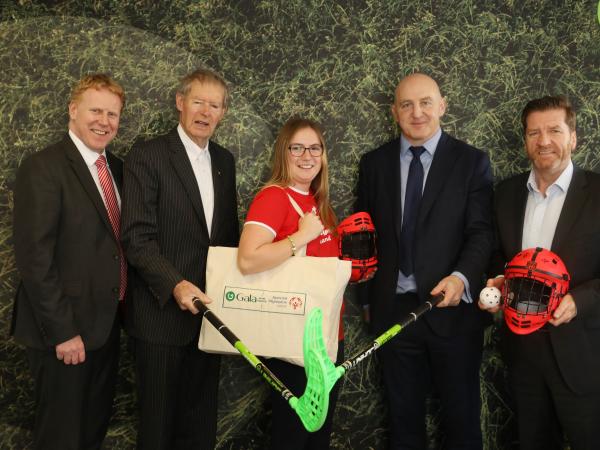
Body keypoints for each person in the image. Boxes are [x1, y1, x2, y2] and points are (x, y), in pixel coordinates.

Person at [355, 73, 494, 449]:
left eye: (426, 103)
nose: (417, 113)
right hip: (394, 315)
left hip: (453, 313)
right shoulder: (374, 164)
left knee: (462, 421)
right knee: (403, 425)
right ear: (394, 111)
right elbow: (363, 237)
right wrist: (368, 303)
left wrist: (461, 278)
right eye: (406, 104)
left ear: (442, 106)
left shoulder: (472, 163)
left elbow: (482, 232)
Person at [121, 68, 238, 450]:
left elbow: (225, 238)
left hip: (209, 319)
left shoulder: (225, 160)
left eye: (215, 105)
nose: (205, 111)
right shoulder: (148, 155)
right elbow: (136, 236)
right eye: (198, 101)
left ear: (222, 113)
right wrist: (175, 283)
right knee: (158, 431)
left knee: (200, 427)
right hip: (160, 320)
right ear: (180, 102)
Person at [12, 73, 126, 449]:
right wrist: (63, 331)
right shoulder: (44, 167)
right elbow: (35, 258)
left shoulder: (119, 170)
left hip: (105, 328)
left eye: (112, 114)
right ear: (73, 110)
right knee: (60, 438)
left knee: (91, 433)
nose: (104, 121)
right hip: (63, 334)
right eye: (95, 110)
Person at [480, 96, 600, 450]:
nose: (544, 140)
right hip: (524, 353)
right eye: (534, 132)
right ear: (525, 140)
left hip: (584, 354)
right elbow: (498, 256)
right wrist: (499, 281)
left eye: (554, 130)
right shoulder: (504, 194)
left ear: (573, 137)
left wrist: (581, 300)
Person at [237, 117, 343, 450]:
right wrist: (300, 237)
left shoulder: (318, 202)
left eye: (315, 148)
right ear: (284, 152)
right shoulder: (274, 197)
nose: (306, 155)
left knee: (315, 439)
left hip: (325, 340)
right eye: (297, 147)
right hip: (294, 343)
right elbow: (248, 259)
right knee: (295, 438)